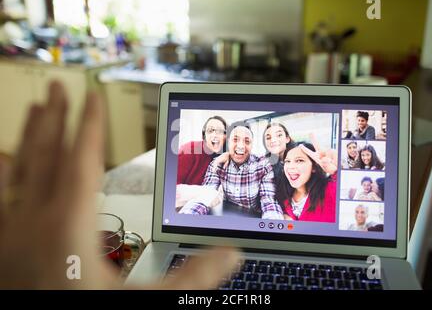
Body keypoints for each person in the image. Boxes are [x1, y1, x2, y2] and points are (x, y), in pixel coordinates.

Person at [0, 81, 240, 289]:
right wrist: (202, 193)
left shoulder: (222, 158)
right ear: (204, 133)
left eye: (221, 132)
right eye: (212, 130)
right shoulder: (188, 151)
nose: (217, 135)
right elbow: (173, 194)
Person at [179, 122, 284, 219]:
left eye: (247, 141)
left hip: (253, 217)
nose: (241, 146)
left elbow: (269, 201)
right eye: (235, 139)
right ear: (228, 142)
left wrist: (273, 227)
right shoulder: (218, 163)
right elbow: (206, 195)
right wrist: (186, 219)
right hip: (228, 216)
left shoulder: (263, 165)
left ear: (252, 145)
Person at [277, 140, 337, 223]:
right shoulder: (282, 195)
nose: (291, 167)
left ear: (314, 167)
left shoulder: (330, 190)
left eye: (299, 160)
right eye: (287, 161)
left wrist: (336, 171)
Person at [177, 116, 227, 185]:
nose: (215, 135)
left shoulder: (229, 156)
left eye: (220, 131)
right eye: (210, 131)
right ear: (204, 136)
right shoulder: (190, 149)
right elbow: (171, 184)